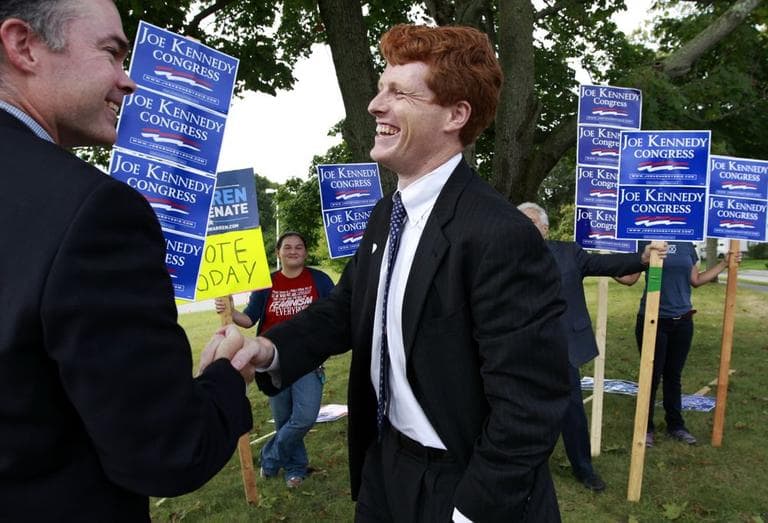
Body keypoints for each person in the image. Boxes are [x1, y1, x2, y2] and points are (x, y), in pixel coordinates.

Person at [219, 24, 571, 522]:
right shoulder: (386, 214)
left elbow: (532, 404)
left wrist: (471, 510)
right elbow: (348, 310)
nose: (375, 105)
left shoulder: (500, 236)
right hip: (385, 466)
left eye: (399, 92)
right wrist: (269, 348)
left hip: (461, 483)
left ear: (455, 115)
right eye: (381, 88)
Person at [0, 1, 253, 519]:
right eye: (112, 53)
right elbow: (168, 452)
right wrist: (227, 376)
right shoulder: (92, 211)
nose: (128, 81)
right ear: (23, 45)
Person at [518, 203, 666, 493]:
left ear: (545, 228)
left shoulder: (569, 253)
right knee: (523, 411)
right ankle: (526, 466)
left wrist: (643, 258)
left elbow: (606, 265)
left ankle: (583, 469)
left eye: (530, 222)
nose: (522, 228)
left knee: (571, 410)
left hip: (562, 348)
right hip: (522, 347)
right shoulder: (504, 255)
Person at [215, 231, 334, 488]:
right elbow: (249, 319)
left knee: (304, 417)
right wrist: (231, 311)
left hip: (307, 360)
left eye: (299, 247)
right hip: (271, 362)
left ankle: (269, 458)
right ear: (278, 252)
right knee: (283, 419)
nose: (293, 251)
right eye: (287, 247)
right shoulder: (267, 283)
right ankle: (295, 469)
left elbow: (335, 315)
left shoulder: (320, 280)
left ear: (306, 252)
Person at [616, 242, 740, 448]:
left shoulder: (687, 245)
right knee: (651, 376)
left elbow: (695, 280)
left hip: (683, 321)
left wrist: (724, 264)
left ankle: (676, 426)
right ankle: (645, 428)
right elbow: (630, 278)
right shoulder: (648, 242)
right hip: (652, 320)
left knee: (673, 376)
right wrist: (599, 266)